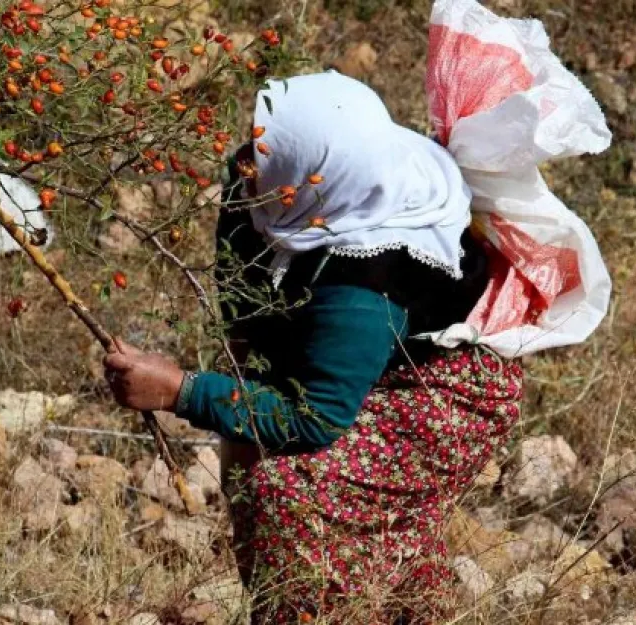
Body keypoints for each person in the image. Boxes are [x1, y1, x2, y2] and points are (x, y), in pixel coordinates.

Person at [102, 70, 526, 623]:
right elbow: (242, 281)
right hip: (359, 351)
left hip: (442, 392)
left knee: (285, 490)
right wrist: (245, 385)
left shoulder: (367, 282)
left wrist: (182, 391)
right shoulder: (274, 177)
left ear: (317, 190)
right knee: (253, 456)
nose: (247, 167)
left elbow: (316, 417)